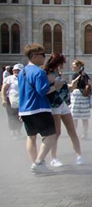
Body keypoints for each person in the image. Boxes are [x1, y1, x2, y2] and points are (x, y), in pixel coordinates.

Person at [18, 44, 60, 174]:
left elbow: (21, 91)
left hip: (25, 109)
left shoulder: (22, 72)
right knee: (51, 135)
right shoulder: (39, 72)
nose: (44, 58)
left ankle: (35, 164)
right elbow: (42, 91)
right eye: (42, 55)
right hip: (39, 108)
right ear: (34, 56)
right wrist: (56, 86)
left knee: (31, 137)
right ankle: (38, 163)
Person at [43, 53, 83, 167]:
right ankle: (53, 158)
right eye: (62, 63)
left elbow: (65, 88)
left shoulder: (57, 73)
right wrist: (56, 86)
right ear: (57, 63)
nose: (63, 65)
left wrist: (73, 83)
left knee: (72, 131)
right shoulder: (48, 74)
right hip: (55, 105)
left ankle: (79, 155)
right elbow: (46, 90)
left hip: (64, 104)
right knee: (56, 133)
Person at [69, 59, 92, 139]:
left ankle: (74, 133)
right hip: (85, 96)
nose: (72, 67)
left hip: (77, 96)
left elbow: (73, 86)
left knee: (74, 117)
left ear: (78, 66)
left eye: (74, 66)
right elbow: (90, 84)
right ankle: (85, 134)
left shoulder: (75, 75)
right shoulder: (85, 75)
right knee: (84, 117)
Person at [1, 63, 24, 138]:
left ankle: (18, 130)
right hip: (10, 99)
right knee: (12, 116)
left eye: (18, 70)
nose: (16, 72)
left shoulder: (25, 78)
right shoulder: (9, 78)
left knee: (21, 116)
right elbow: (3, 89)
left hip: (22, 100)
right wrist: (4, 99)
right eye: (14, 70)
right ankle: (13, 131)